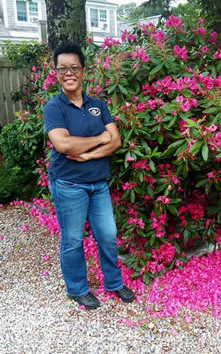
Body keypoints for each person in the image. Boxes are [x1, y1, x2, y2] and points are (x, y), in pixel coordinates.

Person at [43, 41, 135, 310]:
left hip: (98, 183)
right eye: (63, 68)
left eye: (74, 67)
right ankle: (77, 288)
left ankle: (114, 283)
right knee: (72, 239)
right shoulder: (54, 107)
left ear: (83, 71)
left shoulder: (98, 104)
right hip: (69, 184)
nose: (68, 73)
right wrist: (98, 139)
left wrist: (87, 154)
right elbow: (63, 144)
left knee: (107, 235)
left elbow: (115, 140)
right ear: (57, 73)